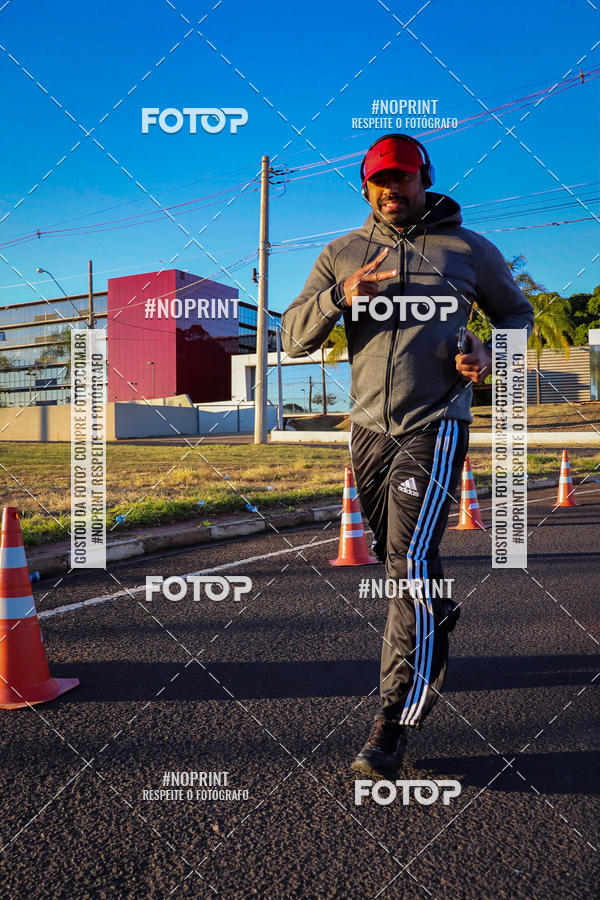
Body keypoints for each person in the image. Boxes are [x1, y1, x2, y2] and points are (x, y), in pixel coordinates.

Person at [281, 134, 534, 779]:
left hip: (436, 423)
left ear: (425, 179)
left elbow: (516, 316)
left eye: (404, 178)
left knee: (408, 562)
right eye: (379, 182)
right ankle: (435, 613)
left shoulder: (469, 251)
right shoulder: (342, 253)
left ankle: (393, 720)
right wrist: (343, 297)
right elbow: (291, 339)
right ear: (366, 189)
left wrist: (485, 351)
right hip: (367, 430)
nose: (393, 191)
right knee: (406, 567)